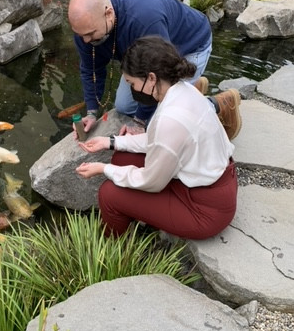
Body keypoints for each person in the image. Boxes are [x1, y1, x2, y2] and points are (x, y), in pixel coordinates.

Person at [75, 36, 238, 238]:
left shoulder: (171, 120)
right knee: (122, 158)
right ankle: (136, 218)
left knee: (109, 194)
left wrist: (103, 169)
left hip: (204, 209)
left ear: (151, 78)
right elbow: (158, 140)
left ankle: (111, 249)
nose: (132, 90)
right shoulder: (181, 89)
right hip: (204, 182)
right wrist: (111, 142)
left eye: (132, 83)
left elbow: (152, 181)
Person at [67, 0, 242, 140]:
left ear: (109, 14)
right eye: (80, 34)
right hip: (144, 59)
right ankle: (191, 86)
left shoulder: (144, 20)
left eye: (90, 34)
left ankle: (220, 103)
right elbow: (91, 70)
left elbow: (159, 73)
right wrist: (91, 112)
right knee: (124, 106)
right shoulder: (85, 28)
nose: (85, 41)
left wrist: (140, 121)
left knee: (165, 117)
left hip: (190, 46)